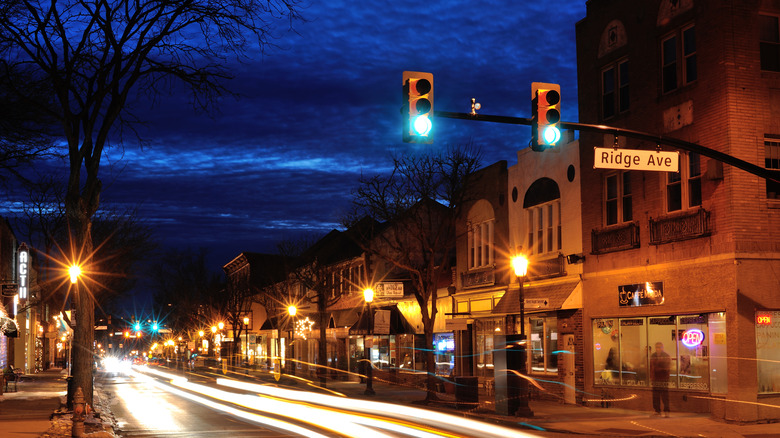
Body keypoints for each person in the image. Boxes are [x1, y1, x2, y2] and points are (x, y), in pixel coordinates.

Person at [649, 342, 672, 417]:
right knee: (655, 396)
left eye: (659, 347)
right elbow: (651, 367)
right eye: (657, 347)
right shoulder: (653, 356)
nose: (658, 349)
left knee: (665, 396)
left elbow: (667, 367)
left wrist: (659, 368)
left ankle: (666, 411)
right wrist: (651, 377)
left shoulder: (666, 356)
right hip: (655, 378)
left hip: (663, 378)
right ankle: (657, 410)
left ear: (662, 348)